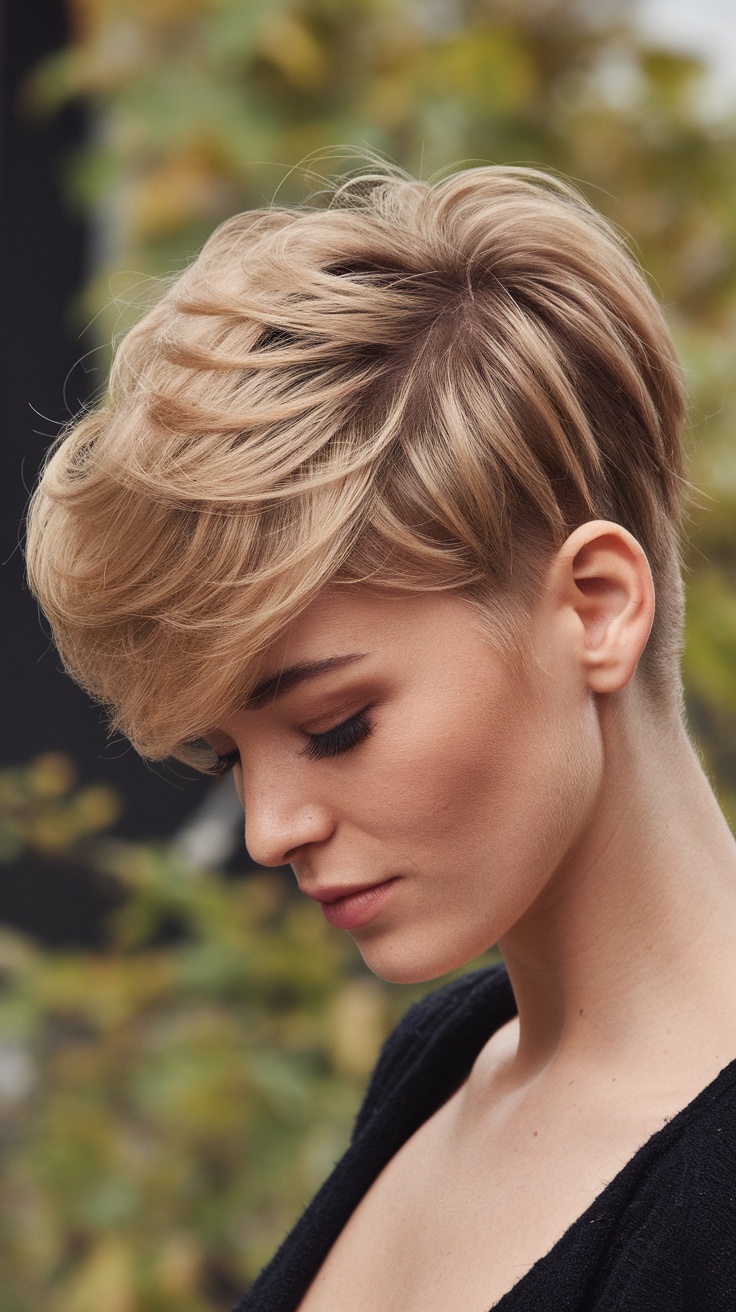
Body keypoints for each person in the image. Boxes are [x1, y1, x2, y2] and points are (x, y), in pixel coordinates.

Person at [26, 163, 736, 1311]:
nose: (269, 830)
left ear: (596, 606)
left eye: (336, 725)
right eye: (227, 754)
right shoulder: (447, 1053)